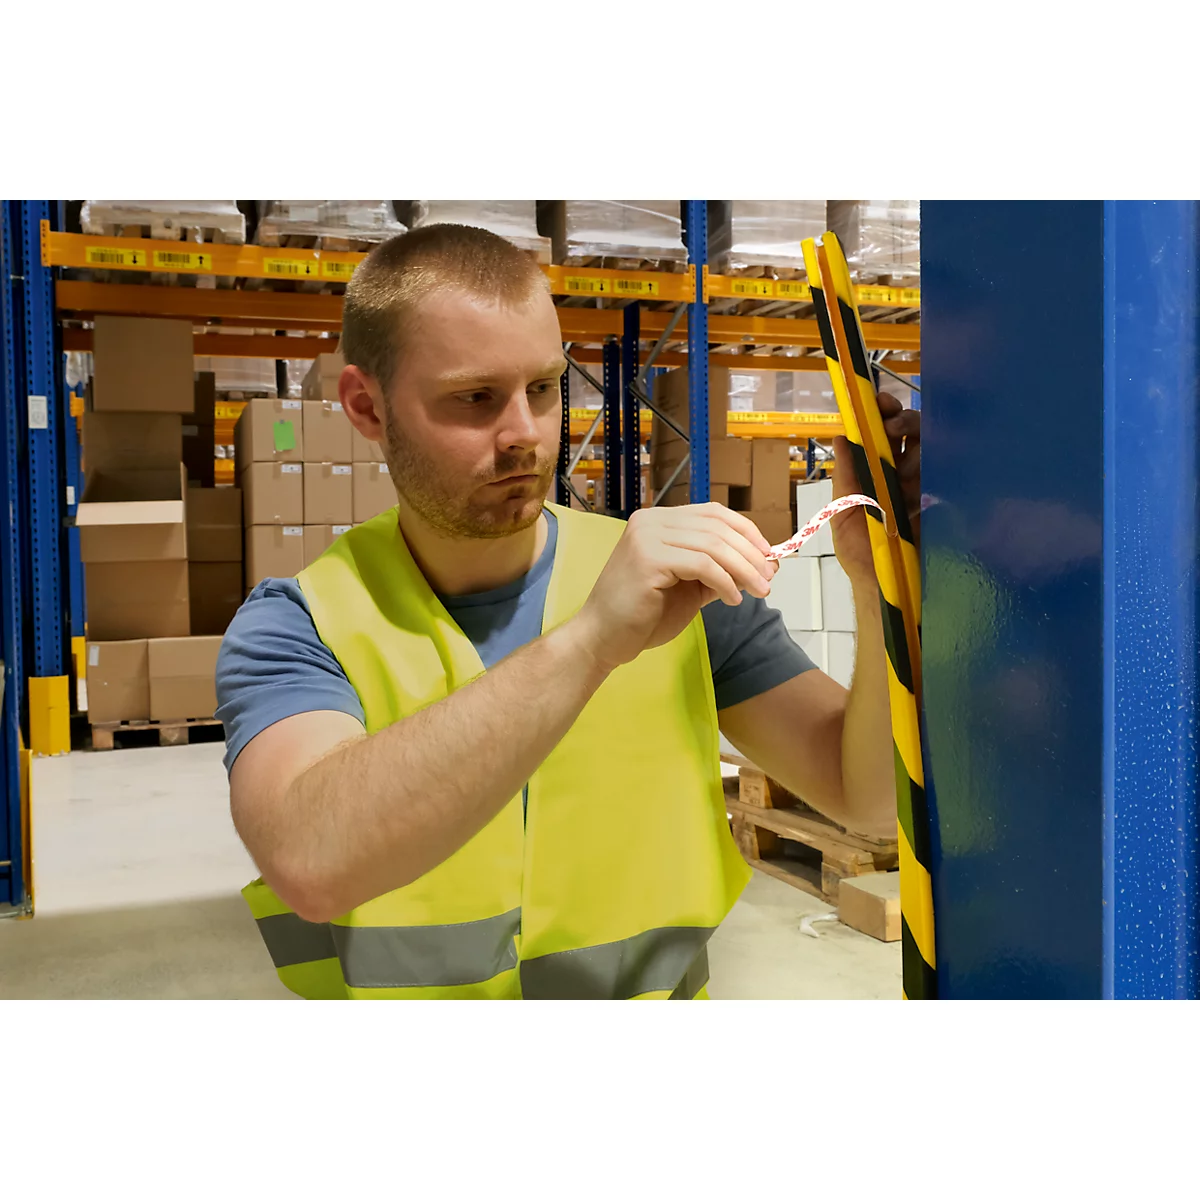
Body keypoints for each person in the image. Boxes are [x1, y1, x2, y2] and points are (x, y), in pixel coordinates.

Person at [216, 224, 921, 1000]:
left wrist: (871, 581)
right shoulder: (301, 624)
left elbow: (869, 800)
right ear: (366, 406)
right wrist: (589, 643)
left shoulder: (680, 594)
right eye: (475, 398)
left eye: (545, 389)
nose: (525, 434)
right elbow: (312, 861)